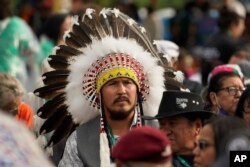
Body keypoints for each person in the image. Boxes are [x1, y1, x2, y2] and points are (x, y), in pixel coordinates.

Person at [34, 8, 173, 167]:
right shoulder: (80, 139)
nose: (122, 90)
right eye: (113, 83)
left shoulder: (160, 131)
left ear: (138, 89)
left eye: (127, 83)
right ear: (98, 93)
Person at [144, 90, 215, 167]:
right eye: (162, 124)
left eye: (172, 123)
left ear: (197, 127)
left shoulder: (219, 159)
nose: (165, 132)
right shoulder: (154, 163)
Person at [0, 0, 41, 92]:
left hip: (14, 82)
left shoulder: (16, 25)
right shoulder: (17, 25)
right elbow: (34, 54)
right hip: (15, 81)